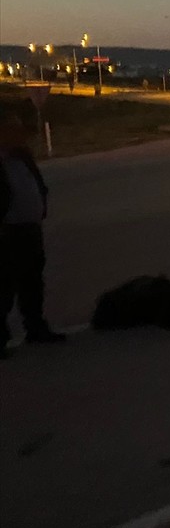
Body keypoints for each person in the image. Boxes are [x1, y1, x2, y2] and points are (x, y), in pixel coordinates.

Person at [1, 113, 66, 357]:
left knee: (32, 281)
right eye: (13, 130)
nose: (20, 135)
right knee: (4, 284)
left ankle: (35, 327)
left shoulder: (23, 158)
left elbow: (36, 184)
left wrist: (41, 204)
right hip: (7, 231)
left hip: (29, 228)